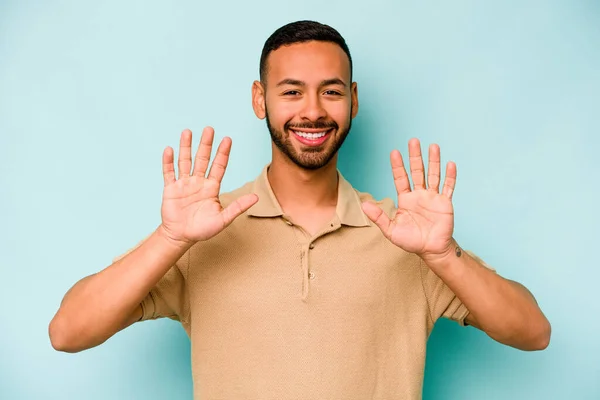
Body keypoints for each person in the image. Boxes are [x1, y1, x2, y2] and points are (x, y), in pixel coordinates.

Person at [49, 20, 551, 399]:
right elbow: (67, 333)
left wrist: (443, 258)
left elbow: (533, 333)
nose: (312, 110)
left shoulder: (407, 236)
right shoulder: (203, 229)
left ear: (352, 101)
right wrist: (171, 239)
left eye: (331, 91)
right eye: (291, 91)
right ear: (259, 99)